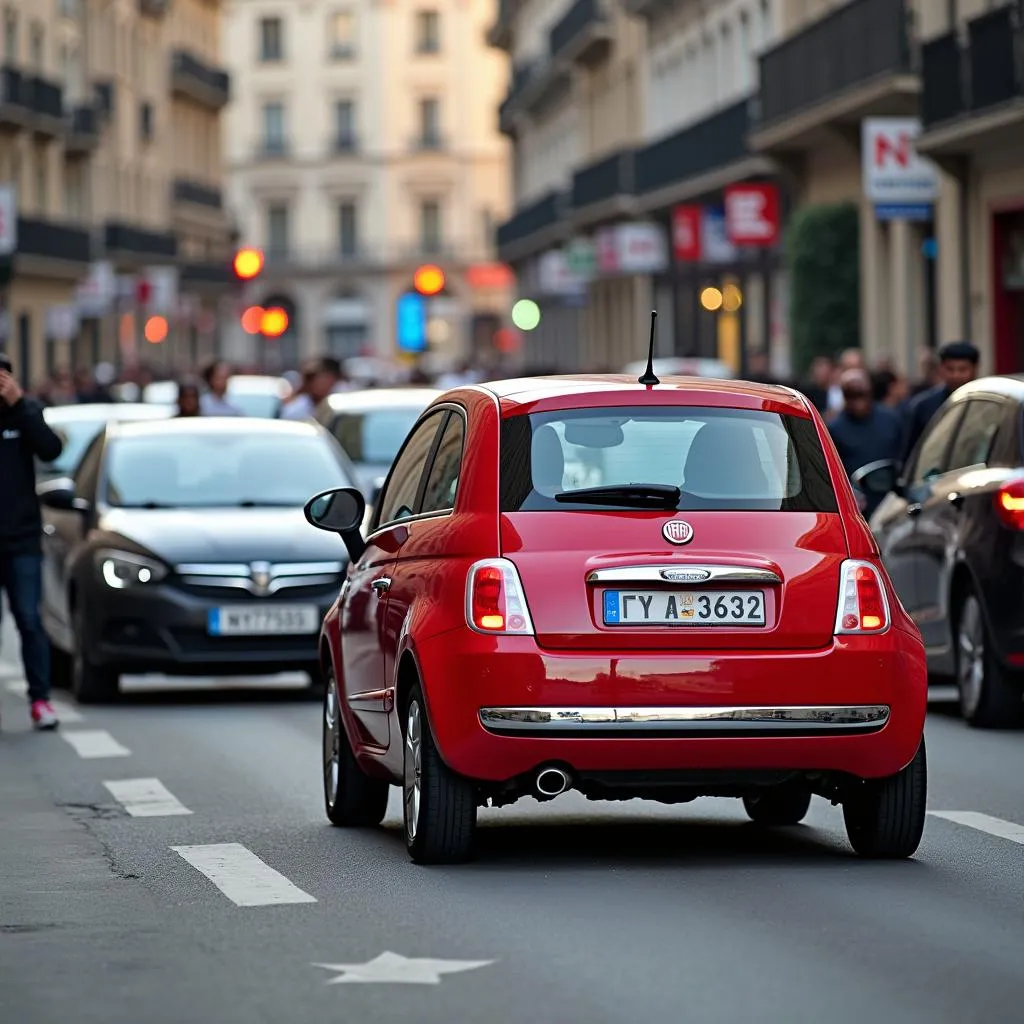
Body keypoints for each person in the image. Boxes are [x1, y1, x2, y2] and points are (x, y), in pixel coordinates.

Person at [0, 353, 64, 730]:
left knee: (29, 619)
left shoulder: (26, 412)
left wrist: (20, 405)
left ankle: (40, 699)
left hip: (21, 539)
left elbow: (51, 450)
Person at [828, 368, 903, 516]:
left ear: (870, 392)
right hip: (856, 505)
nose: (857, 400)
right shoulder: (834, 429)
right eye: (850, 395)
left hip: (890, 499)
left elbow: (905, 455)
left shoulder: (891, 419)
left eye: (860, 394)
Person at [901, 341, 980, 463]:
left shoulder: (987, 403)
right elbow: (912, 455)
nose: (956, 375)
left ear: (975, 369)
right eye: (950, 369)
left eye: (962, 369)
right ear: (941, 369)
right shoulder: (924, 407)